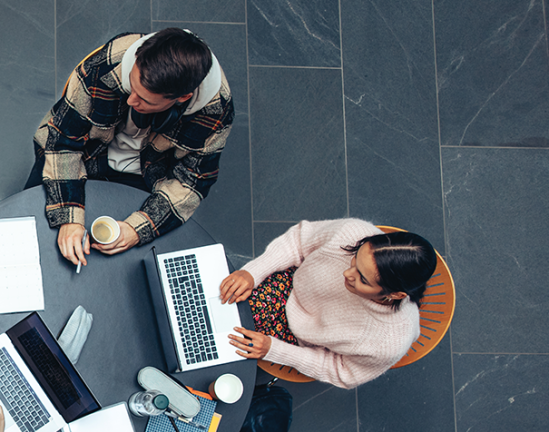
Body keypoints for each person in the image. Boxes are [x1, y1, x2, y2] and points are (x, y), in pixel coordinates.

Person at [27, 28, 234, 268]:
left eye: (145, 100)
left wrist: (137, 229)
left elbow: (192, 182)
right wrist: (69, 214)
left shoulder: (217, 109)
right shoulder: (105, 65)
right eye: (131, 86)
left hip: (148, 175)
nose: (130, 101)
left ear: (183, 97)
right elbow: (63, 140)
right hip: (83, 156)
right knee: (31, 237)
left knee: (125, 269)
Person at [219, 219, 438, 389]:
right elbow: (297, 242)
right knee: (218, 298)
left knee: (223, 350)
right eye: (355, 258)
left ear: (396, 294)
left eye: (362, 279)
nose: (346, 274)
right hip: (290, 284)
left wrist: (274, 350)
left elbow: (339, 370)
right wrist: (252, 273)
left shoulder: (388, 342)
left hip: (297, 337)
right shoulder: (353, 233)